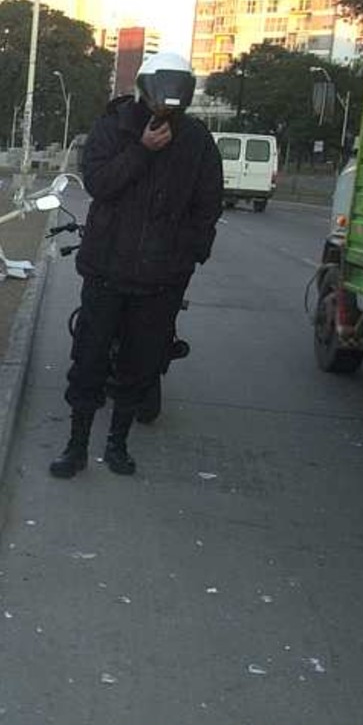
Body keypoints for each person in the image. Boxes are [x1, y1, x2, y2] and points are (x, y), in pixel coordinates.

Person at [50, 52, 222, 478]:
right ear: (145, 87)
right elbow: (100, 184)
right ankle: (76, 445)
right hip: (108, 271)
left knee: (139, 365)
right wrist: (141, 151)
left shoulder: (197, 140)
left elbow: (208, 205)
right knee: (89, 361)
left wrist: (189, 255)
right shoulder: (114, 127)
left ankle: (118, 446)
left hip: (161, 280)